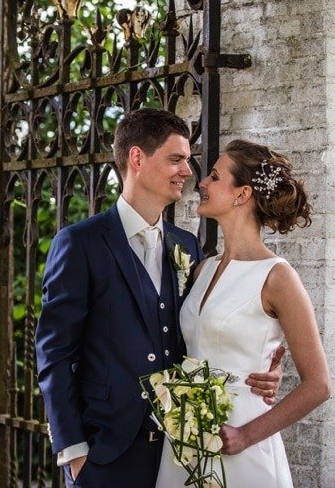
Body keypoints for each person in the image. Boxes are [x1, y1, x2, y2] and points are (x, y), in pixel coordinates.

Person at [35, 109, 285, 488]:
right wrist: (74, 451)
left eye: (188, 161)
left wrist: (263, 365)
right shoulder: (80, 244)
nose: (189, 172)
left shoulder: (186, 246)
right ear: (137, 159)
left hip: (182, 450)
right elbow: (54, 353)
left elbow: (204, 330)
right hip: (106, 454)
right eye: (176, 159)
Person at [155, 139, 331, 488]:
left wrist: (246, 435)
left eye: (215, 177)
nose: (201, 183)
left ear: (242, 194)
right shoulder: (201, 269)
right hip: (187, 436)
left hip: (240, 439)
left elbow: (319, 385)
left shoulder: (278, 277)